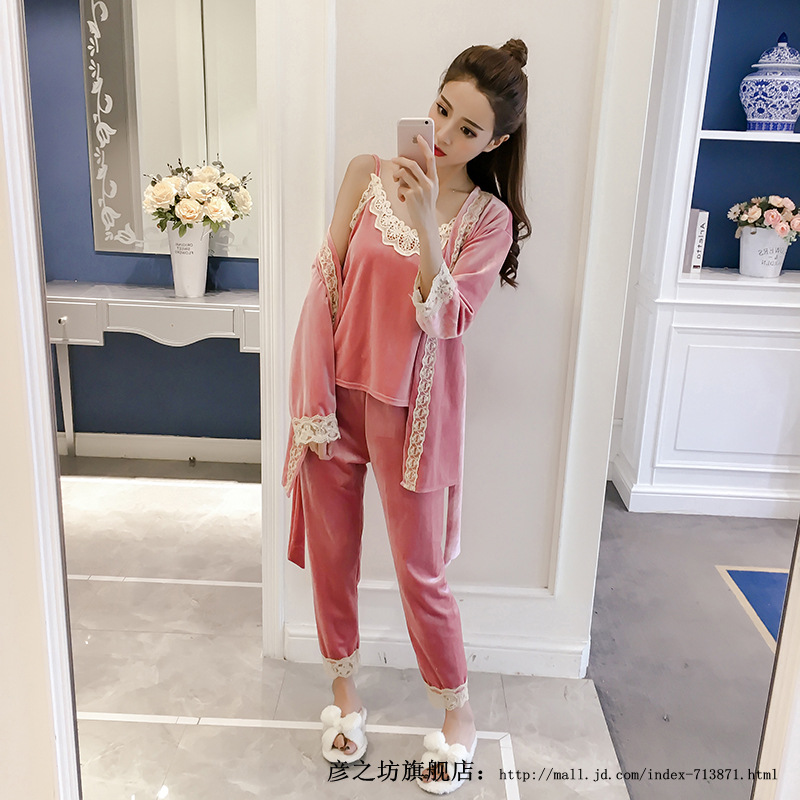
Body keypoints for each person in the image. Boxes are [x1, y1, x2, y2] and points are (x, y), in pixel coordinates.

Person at [281, 38, 530, 794]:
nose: (444, 134)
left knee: (420, 573)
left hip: (412, 418)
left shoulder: (488, 220)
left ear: (496, 143)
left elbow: (448, 319)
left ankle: (458, 717)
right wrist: (311, 398)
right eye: (441, 110)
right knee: (334, 556)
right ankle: (345, 695)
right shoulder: (366, 175)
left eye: (467, 129)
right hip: (336, 402)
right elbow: (327, 283)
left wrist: (425, 222)